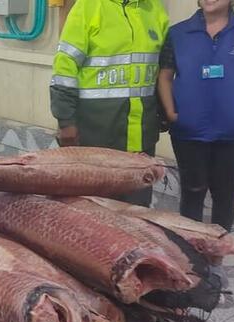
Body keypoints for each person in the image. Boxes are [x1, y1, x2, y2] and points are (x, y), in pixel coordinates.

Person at [158, 0, 234, 231]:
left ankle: (217, 251)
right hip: (189, 132)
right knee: (192, 191)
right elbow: (165, 76)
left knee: (226, 193)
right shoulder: (178, 33)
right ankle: (191, 251)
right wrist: (171, 112)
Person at [50, 0, 169, 207]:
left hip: (142, 137)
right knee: (94, 210)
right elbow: (64, 69)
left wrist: (164, 113)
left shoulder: (154, 9)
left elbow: (163, 70)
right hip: (98, 134)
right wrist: (66, 120)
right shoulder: (88, 7)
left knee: (137, 214)